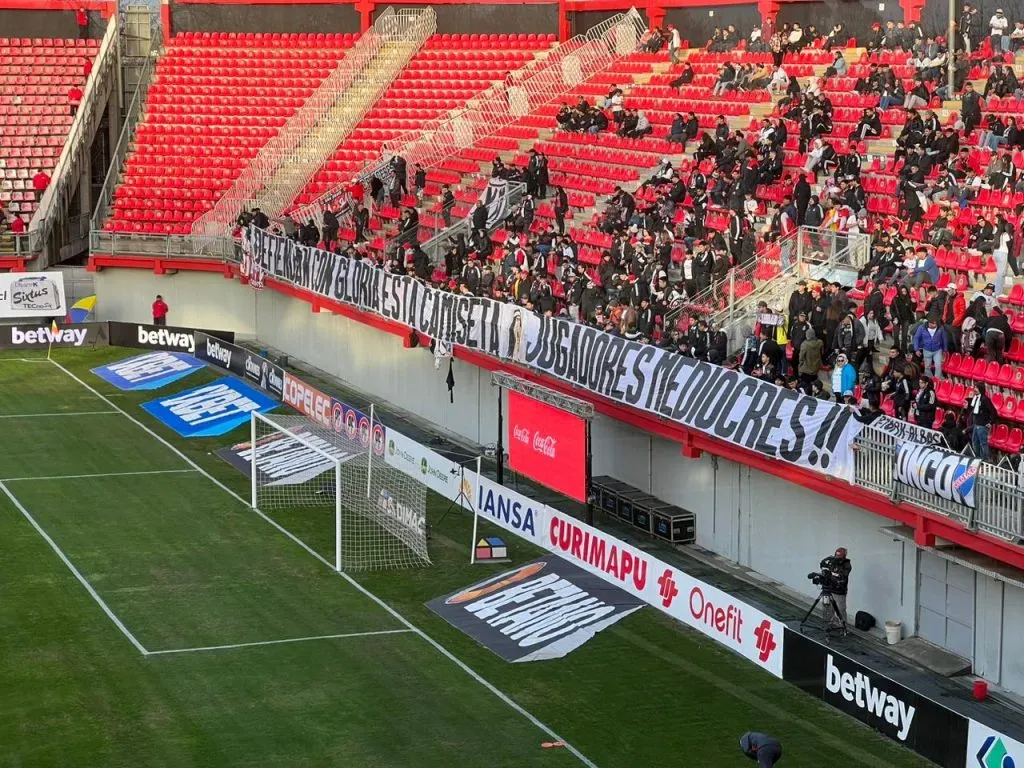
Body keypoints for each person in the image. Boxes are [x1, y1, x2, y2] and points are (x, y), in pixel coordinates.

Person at [969, 381, 996, 460]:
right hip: (976, 425)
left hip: (982, 426)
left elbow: (993, 412)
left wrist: (991, 422)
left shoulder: (985, 399)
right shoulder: (975, 398)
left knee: (983, 444)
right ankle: (977, 459)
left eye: (976, 388)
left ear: (981, 389)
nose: (974, 389)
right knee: (974, 443)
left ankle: (986, 461)